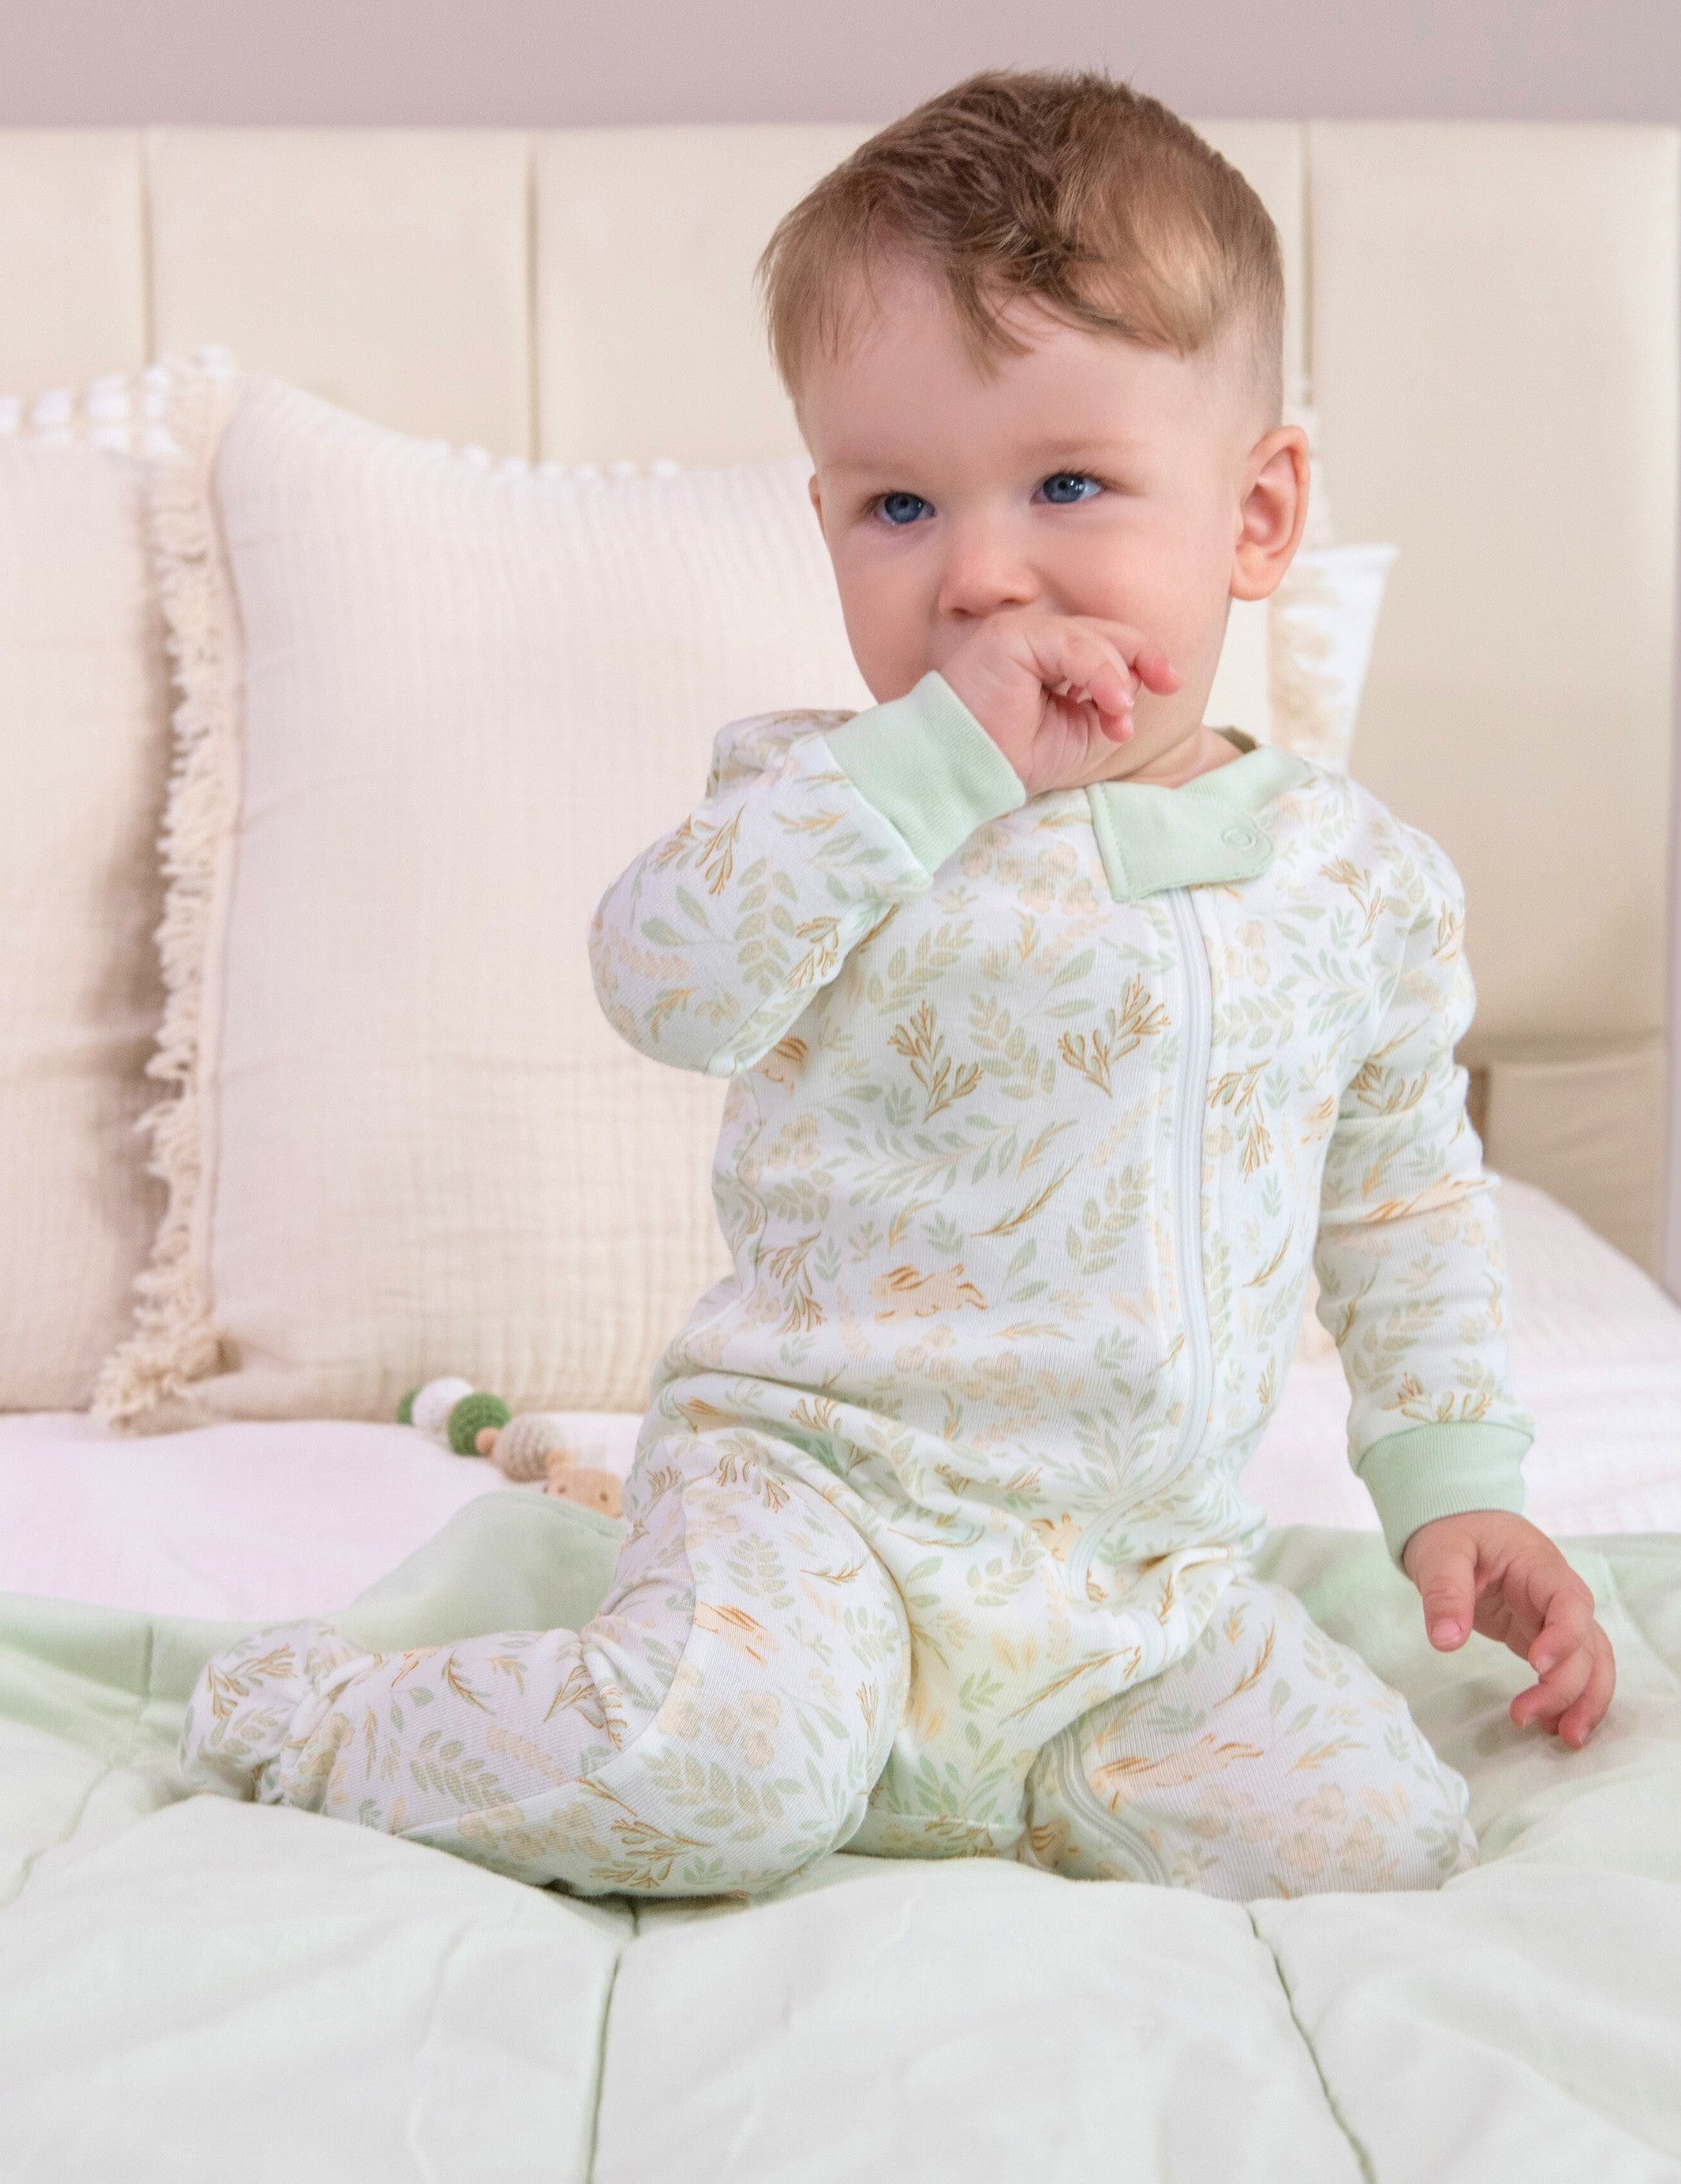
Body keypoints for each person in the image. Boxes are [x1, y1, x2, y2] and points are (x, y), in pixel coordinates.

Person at [182, 68, 1615, 1899]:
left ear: (1256, 517)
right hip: (820, 1502)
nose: (982, 576)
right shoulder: (832, 803)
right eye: (899, 505)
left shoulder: (1356, 884)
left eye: (1068, 484)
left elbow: (1402, 1204)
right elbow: (661, 980)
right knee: (714, 1773)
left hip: (1132, 1578)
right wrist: (925, 771)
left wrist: (1454, 1486)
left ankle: (964, 1772)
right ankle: (322, 1714)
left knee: (1379, 1836)